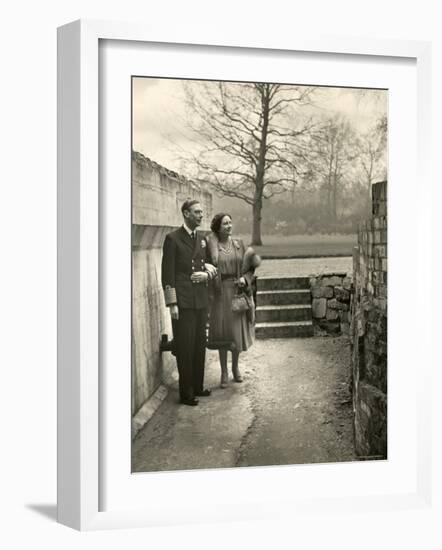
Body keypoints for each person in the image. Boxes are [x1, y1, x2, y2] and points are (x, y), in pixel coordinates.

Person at [161, 199, 217, 406]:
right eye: (197, 212)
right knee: (185, 347)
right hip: (183, 302)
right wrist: (172, 304)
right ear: (186, 214)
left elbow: (211, 264)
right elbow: (167, 275)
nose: (201, 215)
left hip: (200, 300)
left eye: (202, 212)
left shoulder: (202, 239)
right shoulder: (172, 239)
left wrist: (207, 274)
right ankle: (186, 393)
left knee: (199, 344)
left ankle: (198, 386)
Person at [206, 213, 261, 388]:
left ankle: (235, 367)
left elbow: (251, 267)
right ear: (218, 227)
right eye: (225, 224)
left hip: (237, 292)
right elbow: (206, 268)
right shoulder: (211, 246)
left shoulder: (239, 244)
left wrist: (246, 278)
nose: (229, 226)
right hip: (220, 294)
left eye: (230, 222)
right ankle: (223, 371)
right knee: (223, 332)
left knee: (236, 332)